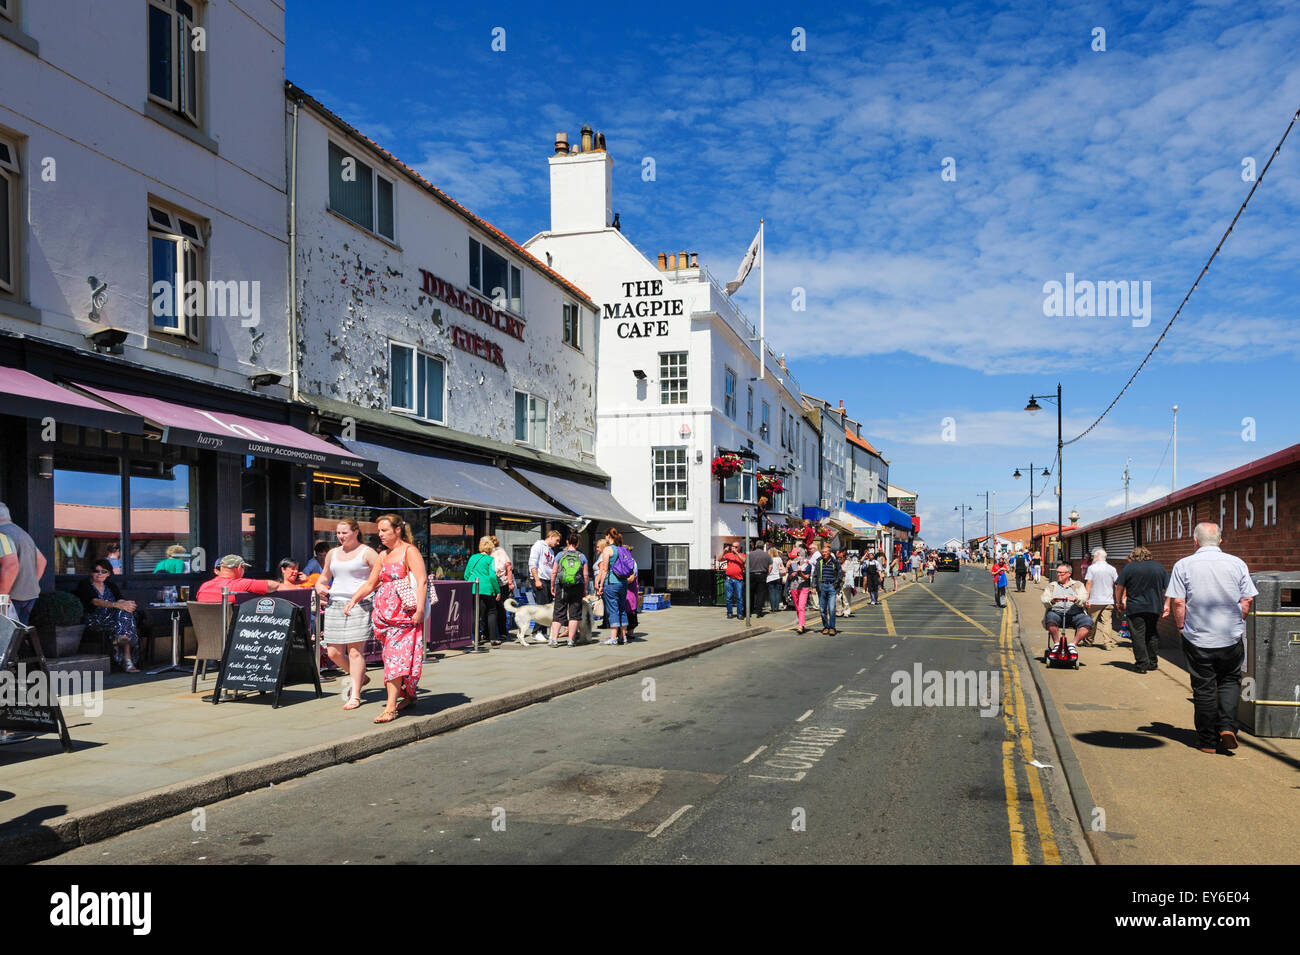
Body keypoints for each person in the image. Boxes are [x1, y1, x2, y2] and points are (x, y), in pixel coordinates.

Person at [1166, 523, 1258, 755]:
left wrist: (1181, 626)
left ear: (1195, 541)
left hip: (1198, 637)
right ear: (1220, 540)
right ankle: (1227, 727)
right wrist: (1236, 621)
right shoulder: (1237, 563)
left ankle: (1207, 741)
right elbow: (1247, 599)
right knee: (1230, 681)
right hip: (1230, 637)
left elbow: (1178, 601)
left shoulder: (1183, 565)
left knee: (1204, 688)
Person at [314, 519, 381, 709]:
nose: (341, 536)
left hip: (359, 604)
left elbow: (380, 576)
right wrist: (319, 585)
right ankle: (361, 676)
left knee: (354, 651)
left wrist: (367, 593)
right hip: (334, 603)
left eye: (345, 532)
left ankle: (356, 695)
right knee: (333, 652)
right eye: (338, 533)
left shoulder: (367, 552)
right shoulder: (333, 553)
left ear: (356, 532)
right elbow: (325, 575)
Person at [367, 514, 427, 723]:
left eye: (384, 530)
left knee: (395, 660)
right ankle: (409, 696)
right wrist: (352, 600)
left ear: (397, 530)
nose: (380, 534)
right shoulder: (383, 555)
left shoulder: (410, 551)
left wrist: (420, 610)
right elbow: (371, 583)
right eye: (379, 531)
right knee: (395, 658)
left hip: (405, 617)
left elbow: (422, 581)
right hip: (384, 618)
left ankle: (390, 708)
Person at [76, 559, 140, 672]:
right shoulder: (85, 584)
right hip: (95, 619)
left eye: (103, 571)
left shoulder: (110, 585)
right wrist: (116, 605)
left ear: (109, 573)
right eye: (96, 571)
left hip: (113, 619)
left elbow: (119, 598)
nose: (99, 574)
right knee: (125, 622)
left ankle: (121, 638)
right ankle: (127, 660)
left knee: (126, 613)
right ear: (92, 573)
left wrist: (127, 604)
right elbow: (95, 601)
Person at [1115, 545, 1169, 673]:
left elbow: (1119, 587)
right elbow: (1169, 588)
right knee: (1151, 633)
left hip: (1135, 607)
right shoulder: (1159, 568)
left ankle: (1142, 664)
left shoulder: (1129, 568)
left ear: (1133, 556)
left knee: (1138, 635)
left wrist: (1118, 602)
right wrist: (1166, 604)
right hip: (1155, 607)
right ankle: (1152, 662)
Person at [0, 504, 46, 625]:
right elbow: (42, 561)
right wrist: (29, 583)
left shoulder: (2, 533)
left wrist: (2, 596)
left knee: (6, 633)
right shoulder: (22, 534)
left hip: (10, 597)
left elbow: (10, 565)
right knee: (19, 633)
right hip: (29, 595)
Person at [550, 531, 590, 647]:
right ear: (578, 543)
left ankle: (554, 640)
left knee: (558, 613)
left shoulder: (560, 555)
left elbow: (554, 572)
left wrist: (552, 585)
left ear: (567, 542)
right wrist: (585, 589)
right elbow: (586, 575)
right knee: (574, 614)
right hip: (577, 587)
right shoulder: (582, 556)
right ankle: (570, 641)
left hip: (562, 586)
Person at [596, 528, 633, 644]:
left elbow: (604, 569)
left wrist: (601, 585)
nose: (605, 538)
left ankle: (613, 638)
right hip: (623, 583)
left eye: (605, 536)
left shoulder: (608, 549)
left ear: (608, 536)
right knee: (622, 609)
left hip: (611, 582)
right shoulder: (622, 548)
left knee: (613, 609)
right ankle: (623, 637)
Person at [1042, 562, 1091, 647]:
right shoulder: (1052, 585)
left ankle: (1072, 644)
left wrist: (1076, 599)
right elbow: (1044, 598)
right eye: (1057, 572)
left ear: (1069, 574)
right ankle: (1057, 644)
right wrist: (1051, 601)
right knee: (1050, 618)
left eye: (1061, 573)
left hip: (1075, 614)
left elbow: (1084, 597)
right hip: (1056, 612)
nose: (1058, 575)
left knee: (1087, 621)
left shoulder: (1078, 585)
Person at [464, 536, 502, 647]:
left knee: (475, 612)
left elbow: (466, 574)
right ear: (491, 549)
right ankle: (493, 638)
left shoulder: (473, 557)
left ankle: (475, 638)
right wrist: (497, 591)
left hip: (473, 588)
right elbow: (492, 577)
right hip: (487, 589)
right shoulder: (490, 560)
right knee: (491, 612)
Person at [196, 555, 280, 602]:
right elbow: (274, 585)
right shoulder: (241, 584)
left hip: (205, 627)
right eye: (244, 568)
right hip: (233, 628)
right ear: (240, 568)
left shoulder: (204, 586)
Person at [1084, 547, 1120, 650]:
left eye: (1094, 556)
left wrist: (1086, 598)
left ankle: (1089, 641)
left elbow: (1089, 583)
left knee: (1092, 621)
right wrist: (1117, 599)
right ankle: (1107, 643)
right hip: (1108, 600)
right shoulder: (1112, 569)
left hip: (1094, 600)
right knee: (1107, 622)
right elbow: (1117, 584)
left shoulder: (1092, 568)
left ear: (1096, 557)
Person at [489, 534, 515, 640]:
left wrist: (510, 582)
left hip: (499, 583)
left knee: (496, 608)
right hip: (497, 583)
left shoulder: (499, 551)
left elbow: (508, 567)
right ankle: (500, 632)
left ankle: (498, 632)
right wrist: (510, 582)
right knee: (498, 609)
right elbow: (509, 567)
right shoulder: (499, 552)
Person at [816, 543, 841, 635]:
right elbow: (815, 575)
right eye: (822, 552)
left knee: (831, 608)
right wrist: (814, 586)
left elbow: (840, 573)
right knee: (822, 609)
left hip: (831, 587)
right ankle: (826, 627)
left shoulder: (835, 562)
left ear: (830, 553)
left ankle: (832, 628)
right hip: (822, 586)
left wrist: (835, 584)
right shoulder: (819, 562)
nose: (824, 554)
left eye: (825, 552)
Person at [787, 545, 813, 633]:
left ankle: (800, 626)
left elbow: (806, 577)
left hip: (804, 588)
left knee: (801, 607)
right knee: (798, 608)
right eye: (799, 556)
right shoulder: (793, 565)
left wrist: (800, 572)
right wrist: (792, 574)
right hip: (794, 588)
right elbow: (789, 577)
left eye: (802, 556)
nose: (800, 558)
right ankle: (802, 623)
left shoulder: (808, 565)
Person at [718, 541, 746, 619]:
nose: (734, 548)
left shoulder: (742, 555)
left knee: (739, 597)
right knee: (728, 597)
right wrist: (724, 551)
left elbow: (744, 560)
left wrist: (736, 553)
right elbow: (719, 559)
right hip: (729, 579)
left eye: (736, 547)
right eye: (733, 546)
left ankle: (739, 614)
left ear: (739, 548)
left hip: (738, 579)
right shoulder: (728, 555)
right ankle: (729, 613)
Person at [747, 543, 772, 617]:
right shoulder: (767, 555)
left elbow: (746, 565)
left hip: (751, 575)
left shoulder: (750, 554)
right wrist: (767, 573)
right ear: (763, 546)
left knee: (750, 593)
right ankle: (759, 612)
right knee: (760, 594)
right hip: (762, 575)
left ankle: (750, 610)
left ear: (756, 546)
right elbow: (770, 566)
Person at [766, 546, 786, 616]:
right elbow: (782, 566)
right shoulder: (779, 559)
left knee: (771, 592)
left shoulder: (768, 559)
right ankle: (776, 607)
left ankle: (773, 608)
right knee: (777, 592)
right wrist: (779, 552)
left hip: (770, 578)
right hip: (778, 577)